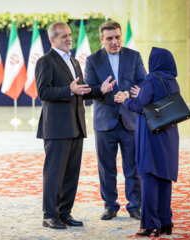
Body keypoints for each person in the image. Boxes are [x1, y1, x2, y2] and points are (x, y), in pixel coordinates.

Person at [35, 21, 116, 229]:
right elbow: (43, 92)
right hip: (56, 128)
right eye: (63, 36)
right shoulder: (46, 61)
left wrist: (101, 90)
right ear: (53, 39)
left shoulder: (74, 61)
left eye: (70, 34)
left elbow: (83, 91)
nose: (69, 38)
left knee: (71, 173)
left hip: (76, 125)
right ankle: (49, 215)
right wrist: (68, 90)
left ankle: (64, 213)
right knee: (54, 174)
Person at [84, 20, 146, 220]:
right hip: (104, 122)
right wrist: (100, 90)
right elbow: (88, 90)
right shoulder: (92, 60)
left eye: (117, 37)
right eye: (109, 38)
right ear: (101, 39)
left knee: (133, 166)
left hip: (130, 120)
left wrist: (130, 94)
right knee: (106, 167)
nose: (114, 42)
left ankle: (135, 205)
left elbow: (144, 84)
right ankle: (110, 205)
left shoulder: (134, 56)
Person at [115, 47, 180, 237]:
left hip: (152, 135)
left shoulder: (152, 79)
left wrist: (125, 99)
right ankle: (165, 222)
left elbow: (140, 105)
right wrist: (140, 94)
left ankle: (151, 224)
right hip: (169, 135)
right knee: (164, 178)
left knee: (149, 176)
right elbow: (157, 101)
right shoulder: (172, 80)